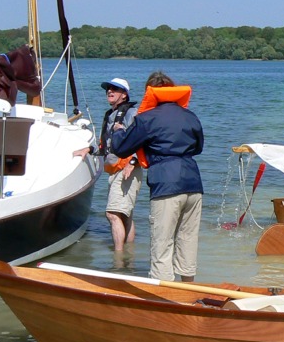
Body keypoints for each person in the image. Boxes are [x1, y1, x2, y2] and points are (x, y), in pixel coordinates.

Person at [110, 71, 204, 282]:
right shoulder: (190, 115)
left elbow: (121, 148)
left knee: (162, 242)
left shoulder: (146, 119)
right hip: (193, 182)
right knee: (188, 239)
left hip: (166, 184)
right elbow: (199, 147)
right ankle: (188, 288)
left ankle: (164, 295)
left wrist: (118, 130)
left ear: (149, 93)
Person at [75, 77, 143, 252]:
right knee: (124, 215)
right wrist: (89, 150)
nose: (110, 91)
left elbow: (140, 139)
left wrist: (133, 163)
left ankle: (118, 258)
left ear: (124, 95)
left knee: (112, 214)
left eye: (115, 89)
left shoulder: (131, 113)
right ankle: (128, 256)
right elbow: (107, 145)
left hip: (127, 168)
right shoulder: (110, 114)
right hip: (115, 169)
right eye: (108, 89)